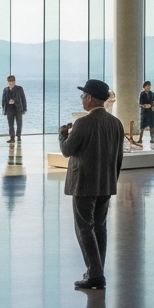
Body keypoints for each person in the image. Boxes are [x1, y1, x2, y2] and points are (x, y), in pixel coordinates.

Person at [59, 79, 126, 290]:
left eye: (83, 96)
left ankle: (95, 274)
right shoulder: (116, 123)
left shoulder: (83, 123)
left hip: (83, 184)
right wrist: (111, 179)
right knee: (100, 227)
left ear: (89, 98)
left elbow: (67, 150)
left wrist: (62, 136)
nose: (82, 100)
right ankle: (96, 270)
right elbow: (119, 157)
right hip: (105, 183)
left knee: (84, 228)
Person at [1, 75, 28, 143]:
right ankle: (12, 138)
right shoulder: (5, 89)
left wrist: (24, 109)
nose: (11, 83)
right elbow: (3, 100)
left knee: (19, 123)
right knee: (10, 124)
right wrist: (5, 107)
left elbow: (23, 99)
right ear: (8, 82)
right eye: (10, 81)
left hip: (18, 108)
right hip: (9, 109)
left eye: (13, 81)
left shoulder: (19, 88)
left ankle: (18, 136)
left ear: (15, 81)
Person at [138, 81, 154, 146]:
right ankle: (140, 139)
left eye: (149, 85)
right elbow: (140, 103)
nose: (148, 87)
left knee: (152, 126)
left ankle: (152, 139)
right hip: (144, 112)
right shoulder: (142, 94)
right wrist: (144, 106)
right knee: (142, 126)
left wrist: (151, 105)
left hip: (151, 112)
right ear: (144, 87)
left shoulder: (152, 94)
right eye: (147, 85)